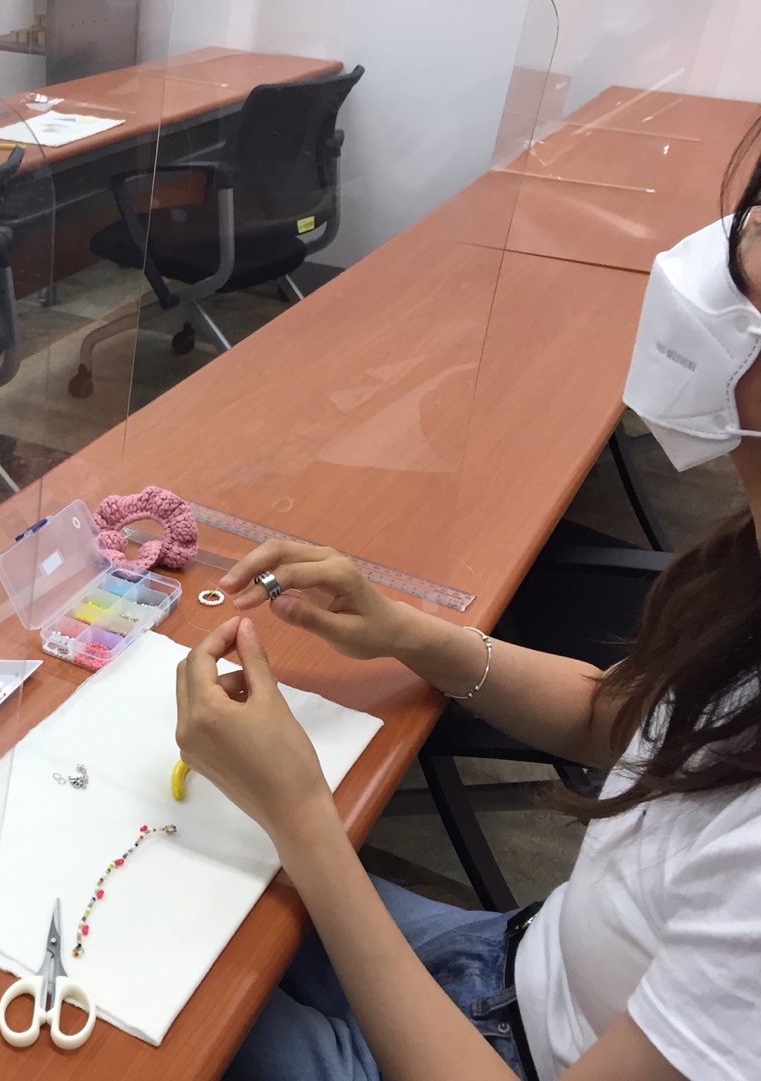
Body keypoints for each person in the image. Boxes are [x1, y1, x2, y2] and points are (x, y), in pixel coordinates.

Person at [176, 132, 761, 1079]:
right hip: (511, 966)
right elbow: (619, 717)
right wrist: (405, 631)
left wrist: (304, 815)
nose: (724, 247)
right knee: (182, 890)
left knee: (134, 1025)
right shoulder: (746, 573)